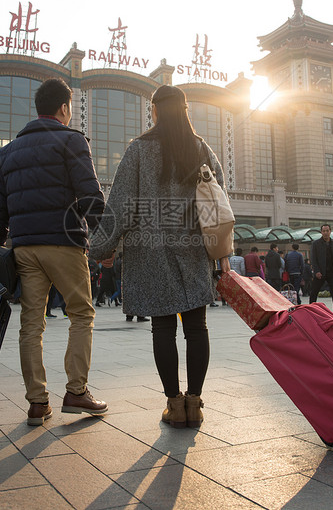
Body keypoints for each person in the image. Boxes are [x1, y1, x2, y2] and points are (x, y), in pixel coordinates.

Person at [90, 84, 230, 429]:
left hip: (150, 250)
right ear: (185, 111)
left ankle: (174, 404)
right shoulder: (201, 148)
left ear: (153, 111)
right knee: (197, 327)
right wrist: (223, 252)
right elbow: (218, 200)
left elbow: (120, 204)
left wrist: (101, 248)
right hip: (194, 248)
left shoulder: (138, 151)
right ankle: (195, 404)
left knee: (163, 329)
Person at [0, 77, 108, 426]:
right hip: (64, 243)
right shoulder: (71, 140)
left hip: (24, 248)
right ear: (64, 108)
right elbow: (89, 196)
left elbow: (0, 210)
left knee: (31, 324)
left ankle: (37, 403)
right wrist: (105, 243)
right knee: (81, 314)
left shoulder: (9, 151)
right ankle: (76, 391)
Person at [309, 224, 333, 316]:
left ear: (330, 231)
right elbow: (313, 259)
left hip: (332, 272)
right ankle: (310, 310)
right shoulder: (316, 244)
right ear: (321, 232)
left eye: (327, 231)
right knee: (314, 292)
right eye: (323, 231)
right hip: (320, 272)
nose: (325, 233)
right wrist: (316, 271)